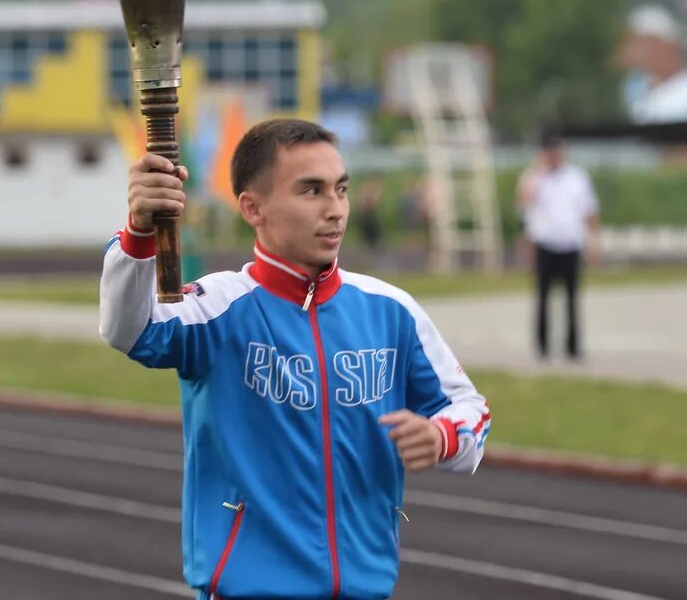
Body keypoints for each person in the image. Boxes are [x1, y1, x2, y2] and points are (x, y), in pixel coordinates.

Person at [99, 119, 490, 600]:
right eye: (311, 191)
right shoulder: (219, 306)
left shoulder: (392, 311)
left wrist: (441, 435)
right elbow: (128, 328)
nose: (335, 210)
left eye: (340, 189)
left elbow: (470, 410)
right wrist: (138, 230)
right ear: (252, 208)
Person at [517, 129, 600, 361]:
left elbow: (589, 209)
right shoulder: (534, 177)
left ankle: (573, 346)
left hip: (571, 243)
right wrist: (538, 171)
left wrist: (594, 241)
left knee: (572, 298)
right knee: (542, 297)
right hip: (545, 243)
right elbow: (524, 202)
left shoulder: (577, 177)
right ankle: (542, 346)